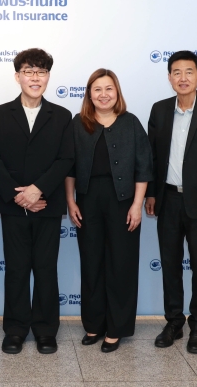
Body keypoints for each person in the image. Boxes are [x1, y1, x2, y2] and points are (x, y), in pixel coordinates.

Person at [0, 48, 74, 355]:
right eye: (29, 71)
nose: (35, 78)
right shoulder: (0, 114)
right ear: (17, 76)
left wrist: (37, 190)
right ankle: (16, 329)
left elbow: (66, 159)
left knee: (46, 269)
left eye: (41, 72)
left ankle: (46, 330)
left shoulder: (61, 115)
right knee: (17, 269)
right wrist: (19, 196)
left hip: (48, 205)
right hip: (13, 206)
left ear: (48, 77)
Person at [145, 50, 197, 354]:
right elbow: (152, 158)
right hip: (168, 199)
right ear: (169, 77)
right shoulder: (159, 110)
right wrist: (152, 194)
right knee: (169, 264)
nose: (183, 78)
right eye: (177, 72)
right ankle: (173, 322)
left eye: (189, 71)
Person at [65, 69, 152, 352]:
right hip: (87, 201)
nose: (104, 94)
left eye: (109, 89)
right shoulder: (78, 123)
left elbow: (144, 167)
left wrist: (137, 205)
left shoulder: (131, 122)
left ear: (117, 92)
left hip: (123, 201)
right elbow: (69, 167)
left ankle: (116, 328)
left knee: (121, 264)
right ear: (89, 94)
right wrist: (70, 201)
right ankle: (94, 325)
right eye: (97, 89)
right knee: (92, 264)